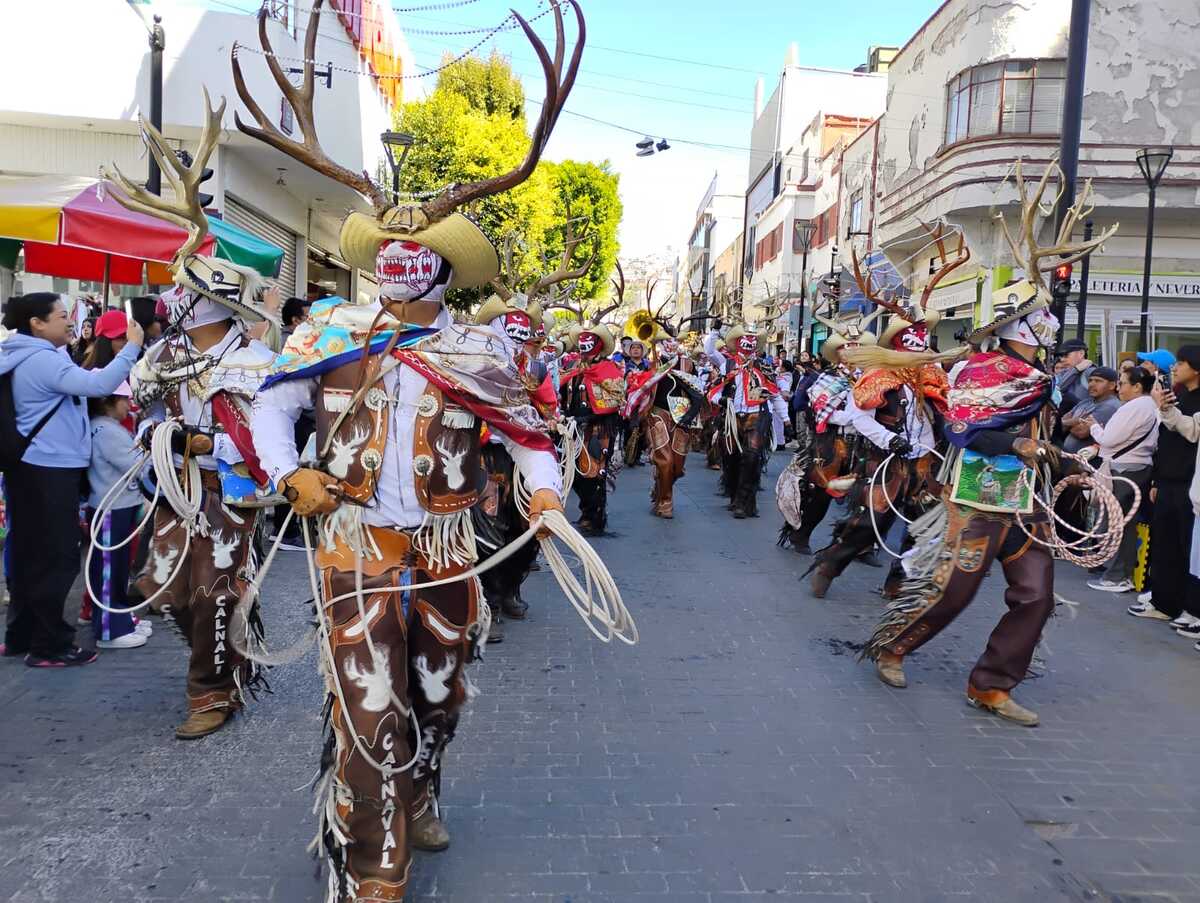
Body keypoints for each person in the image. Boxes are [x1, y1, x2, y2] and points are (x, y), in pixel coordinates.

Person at [105, 93, 281, 739]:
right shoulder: (162, 354)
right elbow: (136, 407)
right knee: (159, 584)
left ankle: (211, 691)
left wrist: (210, 443)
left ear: (215, 304)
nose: (177, 300)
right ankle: (219, 662)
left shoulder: (258, 362)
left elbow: (272, 434)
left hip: (229, 495)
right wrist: (160, 433)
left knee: (214, 592)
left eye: (190, 294)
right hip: (173, 493)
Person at [863, 270, 1076, 727]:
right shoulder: (980, 371)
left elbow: (1037, 433)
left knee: (1037, 596)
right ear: (1020, 326)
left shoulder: (1039, 375)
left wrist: (1067, 462)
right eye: (1042, 315)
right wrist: (1014, 445)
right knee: (953, 592)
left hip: (1024, 502)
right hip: (977, 496)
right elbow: (961, 429)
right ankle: (893, 646)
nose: (1053, 322)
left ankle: (991, 684)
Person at [0, 293, 142, 666]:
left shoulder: (33, 354)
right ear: (37, 323)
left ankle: (21, 636)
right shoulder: (41, 359)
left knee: (30, 553)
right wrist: (131, 349)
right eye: (62, 316)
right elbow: (98, 387)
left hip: (31, 466)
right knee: (56, 558)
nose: (71, 322)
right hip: (49, 469)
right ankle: (49, 646)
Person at [1131, 346, 1200, 626]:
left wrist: (1169, 411)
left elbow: (1190, 433)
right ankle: (1163, 601)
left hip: (1189, 483)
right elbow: (1165, 438)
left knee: (1186, 550)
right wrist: (1158, 479)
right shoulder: (1180, 395)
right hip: (1168, 480)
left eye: (1181, 363)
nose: (1176, 368)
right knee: (1164, 544)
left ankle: (1187, 606)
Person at [86, 382, 148, 650]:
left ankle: (121, 618)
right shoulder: (106, 431)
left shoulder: (106, 428)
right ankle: (109, 630)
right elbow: (135, 465)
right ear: (108, 402)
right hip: (111, 508)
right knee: (110, 569)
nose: (129, 405)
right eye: (125, 400)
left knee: (118, 567)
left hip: (119, 506)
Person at [1086, 365, 1159, 595]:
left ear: (1137, 387)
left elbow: (1108, 439)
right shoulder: (1149, 406)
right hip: (1136, 467)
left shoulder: (1136, 407)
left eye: (1123, 383)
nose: (1119, 387)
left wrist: (1094, 428)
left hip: (1126, 470)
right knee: (1123, 521)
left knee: (1123, 524)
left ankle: (1120, 576)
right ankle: (1118, 571)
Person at [703, 321, 779, 519]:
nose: (748, 343)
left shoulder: (764, 365)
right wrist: (714, 331)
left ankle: (745, 501)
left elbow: (775, 393)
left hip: (758, 413)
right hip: (732, 415)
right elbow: (710, 351)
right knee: (732, 456)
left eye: (752, 340)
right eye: (745, 339)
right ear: (737, 342)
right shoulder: (727, 363)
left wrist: (785, 420)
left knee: (752, 456)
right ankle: (735, 495)